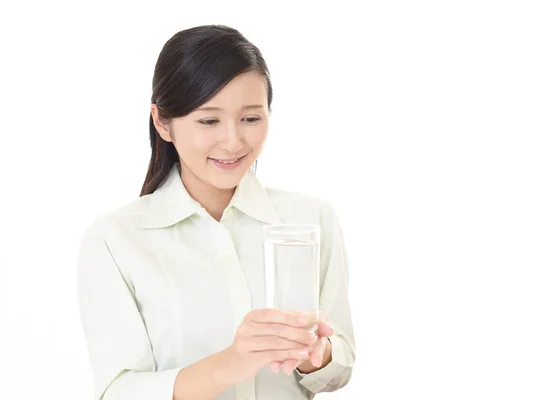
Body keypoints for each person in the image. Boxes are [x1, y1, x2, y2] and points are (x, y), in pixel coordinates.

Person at [76, 24, 355, 400]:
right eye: (209, 121)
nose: (234, 141)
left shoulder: (310, 219)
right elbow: (118, 391)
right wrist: (231, 363)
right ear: (162, 122)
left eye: (251, 118)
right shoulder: (115, 239)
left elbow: (339, 366)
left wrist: (316, 355)